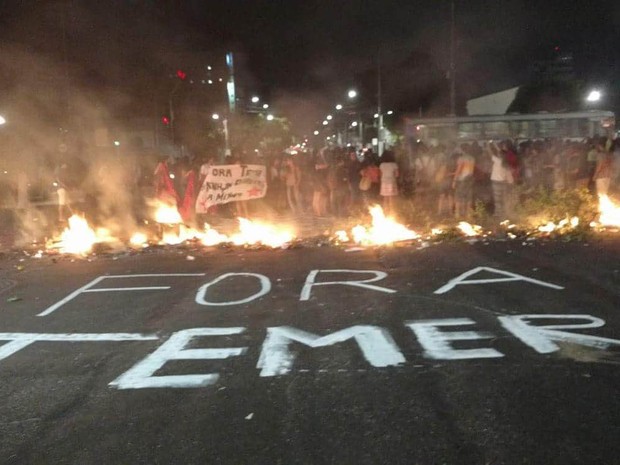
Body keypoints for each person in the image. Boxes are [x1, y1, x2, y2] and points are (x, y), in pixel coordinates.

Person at [452, 145, 475, 218]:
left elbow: (459, 170)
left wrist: (454, 180)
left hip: (461, 180)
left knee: (459, 196)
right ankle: (468, 213)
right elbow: (472, 170)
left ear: (462, 150)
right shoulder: (472, 158)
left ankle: (458, 213)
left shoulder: (461, 159)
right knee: (468, 197)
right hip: (469, 179)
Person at [379, 150, 399, 215]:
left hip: (384, 182)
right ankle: (392, 213)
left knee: (385, 198)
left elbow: (380, 174)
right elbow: (397, 174)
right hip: (391, 182)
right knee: (391, 198)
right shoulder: (394, 165)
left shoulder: (382, 165)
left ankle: (385, 212)